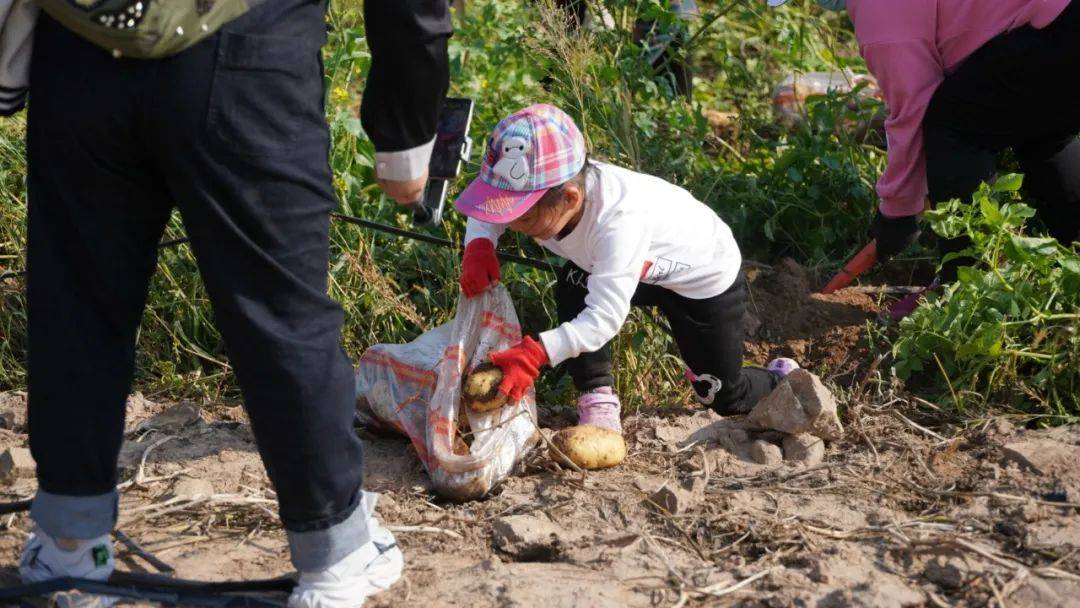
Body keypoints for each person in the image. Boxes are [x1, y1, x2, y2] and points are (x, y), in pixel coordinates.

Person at [17, 0, 449, 606]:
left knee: (77, 305)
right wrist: (405, 136)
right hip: (250, 51)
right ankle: (336, 557)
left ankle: (69, 547)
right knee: (281, 314)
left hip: (82, 56)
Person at [453, 104, 797, 452]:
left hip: (703, 280)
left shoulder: (618, 221)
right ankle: (597, 396)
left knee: (719, 394)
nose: (511, 224)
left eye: (521, 217)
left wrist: (537, 352)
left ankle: (780, 378)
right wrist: (479, 244)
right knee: (575, 282)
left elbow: (603, 318)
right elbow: (492, 205)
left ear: (570, 198)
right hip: (632, 268)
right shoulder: (557, 193)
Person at [770, 0, 1079, 300]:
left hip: (1061, 27)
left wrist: (898, 214)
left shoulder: (879, 9)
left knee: (954, 127)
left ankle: (966, 293)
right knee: (1040, 134)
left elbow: (914, 110)